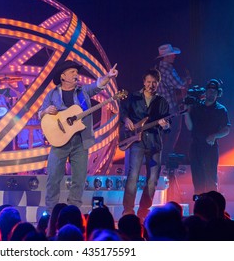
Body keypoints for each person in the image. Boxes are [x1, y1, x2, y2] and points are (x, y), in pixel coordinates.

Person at [39, 59, 118, 213]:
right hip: (59, 141)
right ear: (63, 76)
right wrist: (46, 111)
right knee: (53, 178)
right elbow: (40, 113)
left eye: (77, 72)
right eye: (73, 72)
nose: (77, 75)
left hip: (81, 141)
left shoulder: (83, 92)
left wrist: (108, 76)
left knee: (79, 180)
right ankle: (50, 213)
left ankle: (73, 212)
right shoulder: (52, 93)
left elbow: (98, 85)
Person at [120, 68, 170, 219]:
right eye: (148, 82)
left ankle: (143, 211)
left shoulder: (162, 101)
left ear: (158, 84)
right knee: (133, 176)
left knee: (152, 179)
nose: (151, 85)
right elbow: (122, 112)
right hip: (136, 141)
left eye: (154, 83)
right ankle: (128, 210)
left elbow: (168, 125)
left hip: (155, 142)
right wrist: (127, 120)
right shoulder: (134, 97)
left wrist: (165, 125)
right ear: (144, 82)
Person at [183, 78, 230, 194]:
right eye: (209, 91)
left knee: (210, 179)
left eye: (214, 92)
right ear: (206, 91)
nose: (211, 93)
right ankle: (199, 207)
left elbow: (227, 129)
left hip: (210, 148)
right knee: (197, 180)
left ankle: (212, 207)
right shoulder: (197, 106)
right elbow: (190, 127)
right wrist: (186, 112)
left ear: (218, 93)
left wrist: (215, 136)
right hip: (195, 147)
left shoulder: (221, 109)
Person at [156, 44, 190, 162]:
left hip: (160, 108)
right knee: (174, 130)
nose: (174, 56)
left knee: (164, 133)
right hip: (170, 107)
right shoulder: (168, 69)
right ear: (167, 56)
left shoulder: (158, 69)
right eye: (172, 55)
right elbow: (180, 84)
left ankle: (162, 156)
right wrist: (187, 80)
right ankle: (167, 156)